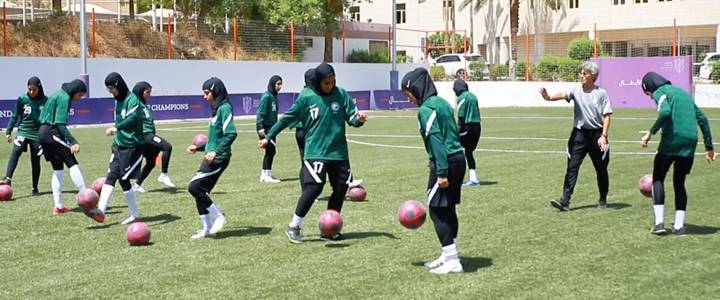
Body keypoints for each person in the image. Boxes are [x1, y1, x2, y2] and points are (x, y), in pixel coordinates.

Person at [258, 63, 367, 243]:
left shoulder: (342, 94)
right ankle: (294, 226)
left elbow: (352, 119)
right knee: (314, 188)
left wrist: (359, 119)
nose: (330, 85)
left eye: (332, 81)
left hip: (338, 153)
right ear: (317, 82)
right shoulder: (306, 97)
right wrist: (269, 136)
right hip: (315, 151)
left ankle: (329, 228)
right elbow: (287, 119)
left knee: (340, 189)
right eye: (326, 82)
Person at [401, 68, 466, 274]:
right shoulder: (443, 103)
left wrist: (441, 171)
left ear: (416, 88)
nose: (408, 98)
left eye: (407, 93)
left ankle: (453, 259)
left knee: (437, 210)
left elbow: (436, 139)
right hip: (458, 159)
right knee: (448, 209)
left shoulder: (426, 109)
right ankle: (449, 254)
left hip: (445, 162)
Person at [640, 72, 715, 236]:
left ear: (650, 87)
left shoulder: (660, 92)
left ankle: (659, 223)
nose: (651, 97)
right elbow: (703, 119)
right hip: (690, 142)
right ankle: (679, 226)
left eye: (648, 93)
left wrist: (650, 133)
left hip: (672, 141)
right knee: (679, 182)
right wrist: (709, 147)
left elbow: (665, 112)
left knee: (658, 177)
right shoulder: (683, 93)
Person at [539, 61, 612, 211]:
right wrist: (548, 97)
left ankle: (603, 199)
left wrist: (604, 136)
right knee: (572, 167)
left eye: (584, 73)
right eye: (581, 73)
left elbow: (607, 115)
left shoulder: (601, 93)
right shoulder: (576, 90)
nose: (581, 75)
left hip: (597, 135)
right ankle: (565, 201)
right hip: (579, 135)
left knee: (601, 169)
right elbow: (564, 94)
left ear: (593, 76)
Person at [85, 73, 146, 224]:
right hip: (118, 145)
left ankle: (135, 215)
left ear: (119, 85)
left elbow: (133, 120)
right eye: (108, 89)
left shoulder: (133, 100)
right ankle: (101, 211)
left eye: (112, 88)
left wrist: (117, 128)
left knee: (124, 179)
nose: (111, 92)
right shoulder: (117, 100)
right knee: (112, 175)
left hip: (133, 146)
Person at [186, 77, 236, 239]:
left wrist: (216, 152)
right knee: (199, 190)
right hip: (211, 157)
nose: (204, 96)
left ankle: (219, 216)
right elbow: (214, 138)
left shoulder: (225, 108)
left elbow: (231, 134)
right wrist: (199, 147)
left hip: (219, 158)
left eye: (207, 93)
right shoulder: (216, 109)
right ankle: (206, 228)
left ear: (215, 92)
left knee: (194, 187)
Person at [38, 79, 87, 215]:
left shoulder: (56, 94)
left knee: (58, 169)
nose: (80, 98)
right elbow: (60, 124)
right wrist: (73, 142)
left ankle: (58, 206)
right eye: (81, 95)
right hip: (52, 132)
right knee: (72, 163)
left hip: (43, 133)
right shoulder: (64, 97)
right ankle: (87, 198)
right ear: (75, 91)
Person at [1, 77, 47, 196]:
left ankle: (35, 188)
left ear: (39, 88)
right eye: (29, 89)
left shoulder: (46, 100)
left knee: (35, 160)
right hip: (23, 131)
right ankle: (8, 179)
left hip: (37, 134)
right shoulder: (22, 98)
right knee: (16, 150)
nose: (31, 92)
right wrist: (8, 131)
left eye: (34, 90)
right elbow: (15, 115)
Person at [131, 81, 176, 192]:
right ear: (140, 92)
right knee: (167, 147)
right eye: (148, 92)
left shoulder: (143, 104)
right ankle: (164, 174)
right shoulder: (135, 104)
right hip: (146, 135)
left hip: (149, 136)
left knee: (151, 162)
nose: (150, 94)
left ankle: (137, 185)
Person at [453, 79, 481, 186]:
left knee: (450, 145)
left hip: (467, 128)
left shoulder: (461, 98)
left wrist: (455, 131)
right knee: (468, 152)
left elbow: (461, 118)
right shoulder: (473, 96)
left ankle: (451, 176)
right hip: (477, 127)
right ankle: (473, 178)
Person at [257, 75, 283, 183]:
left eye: (281, 84)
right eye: (278, 84)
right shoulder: (266, 96)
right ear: (272, 84)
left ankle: (265, 174)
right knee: (271, 150)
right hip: (266, 128)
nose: (280, 86)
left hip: (273, 128)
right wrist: (260, 127)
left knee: (270, 151)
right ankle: (266, 175)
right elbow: (260, 113)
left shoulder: (274, 96)